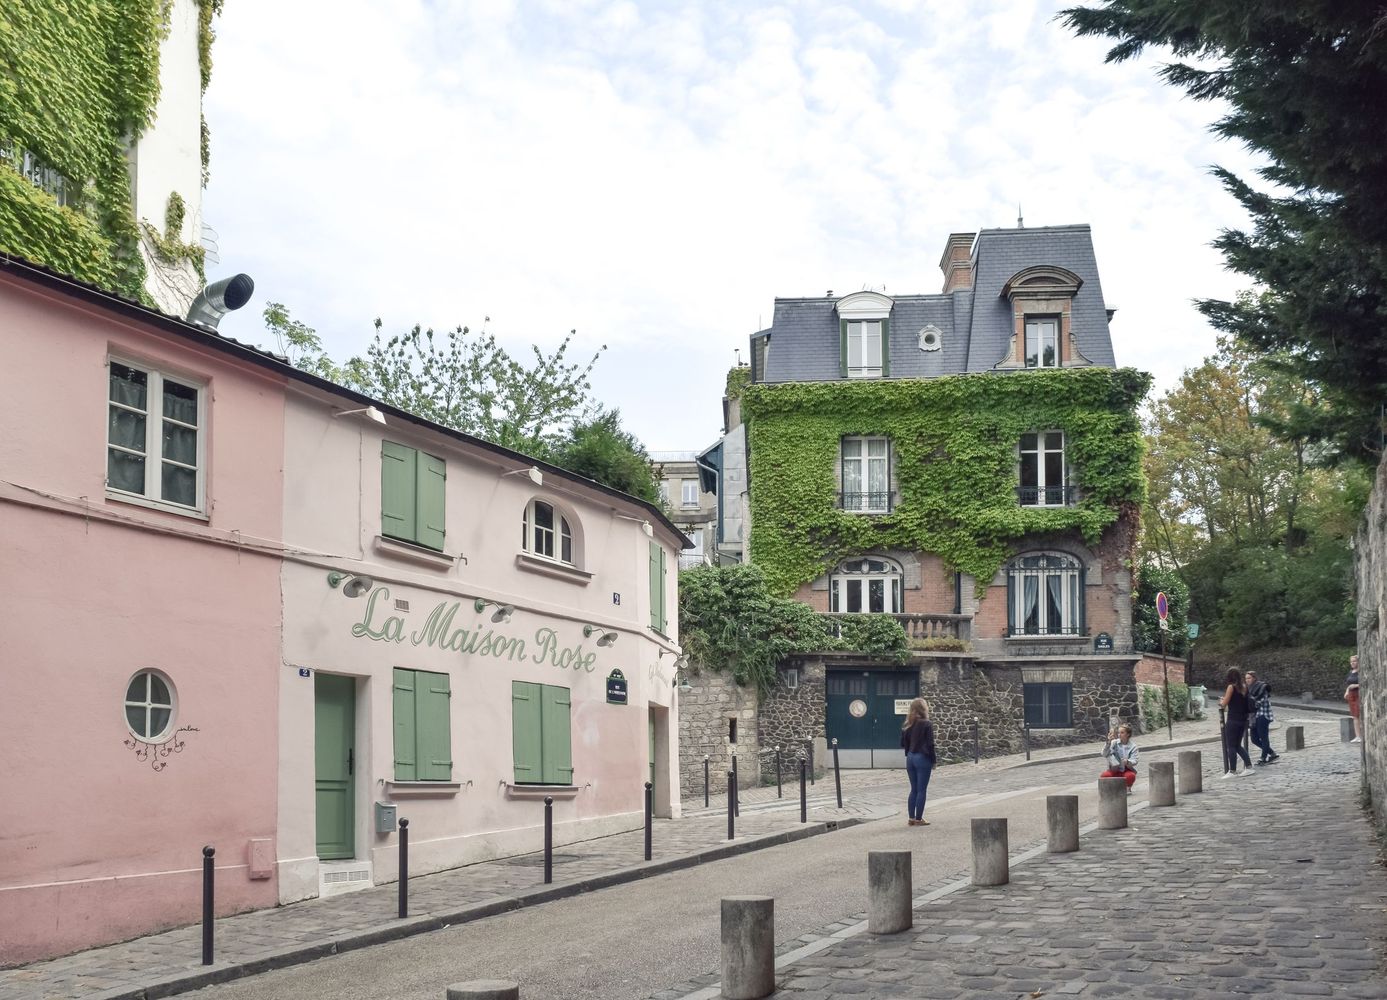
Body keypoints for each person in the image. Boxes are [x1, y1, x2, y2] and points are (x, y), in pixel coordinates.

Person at [900, 698, 936, 826]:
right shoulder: (927, 724)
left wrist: (909, 753)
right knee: (922, 790)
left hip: (910, 757)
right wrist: (933, 760)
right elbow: (930, 744)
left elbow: (902, 744)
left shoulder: (907, 725)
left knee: (913, 789)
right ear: (923, 708)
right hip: (922, 758)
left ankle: (911, 818)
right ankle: (919, 819)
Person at [1220, 667, 1255, 777]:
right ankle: (1249, 767)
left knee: (1230, 746)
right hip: (1243, 720)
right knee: (1238, 745)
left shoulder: (1231, 687)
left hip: (1233, 719)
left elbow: (1224, 704)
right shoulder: (1245, 687)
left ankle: (1232, 771)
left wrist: (1221, 701)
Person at [1245, 670, 1280, 765]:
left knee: (1263, 737)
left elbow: (1259, 702)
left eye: (1249, 678)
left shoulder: (1262, 687)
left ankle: (1263, 758)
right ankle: (1272, 753)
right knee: (1254, 739)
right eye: (1246, 678)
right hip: (1253, 716)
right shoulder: (1248, 689)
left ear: (1254, 678)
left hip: (1263, 715)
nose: (1247, 680)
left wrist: (1249, 703)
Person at [1100, 724, 1139, 790]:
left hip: (1126, 769)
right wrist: (1108, 742)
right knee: (1104, 776)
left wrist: (1127, 761)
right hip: (1114, 769)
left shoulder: (1133, 746)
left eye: (1122, 732)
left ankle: (1127, 787)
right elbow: (1104, 754)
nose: (1119, 735)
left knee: (1130, 776)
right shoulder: (1113, 742)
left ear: (1128, 734)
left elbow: (1135, 760)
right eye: (1118, 732)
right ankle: (1112, 788)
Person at [1346, 655, 1362, 743]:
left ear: (1358, 662)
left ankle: (1361, 735)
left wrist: (1355, 685)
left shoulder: (1360, 672)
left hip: (1358, 694)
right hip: (1351, 695)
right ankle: (1357, 736)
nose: (1352, 663)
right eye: (1351, 661)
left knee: (1358, 714)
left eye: (1354, 661)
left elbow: (1365, 683)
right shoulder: (1350, 672)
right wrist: (1347, 691)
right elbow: (1348, 683)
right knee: (1354, 716)